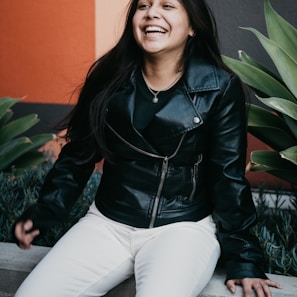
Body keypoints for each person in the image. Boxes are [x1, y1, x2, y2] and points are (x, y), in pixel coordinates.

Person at [14, 0, 281, 296]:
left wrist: (244, 259)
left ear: (192, 25)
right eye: (143, 5)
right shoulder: (108, 77)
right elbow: (78, 157)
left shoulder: (218, 87)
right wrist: (43, 213)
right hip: (107, 224)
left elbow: (227, 176)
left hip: (182, 229)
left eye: (167, 5)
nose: (152, 12)